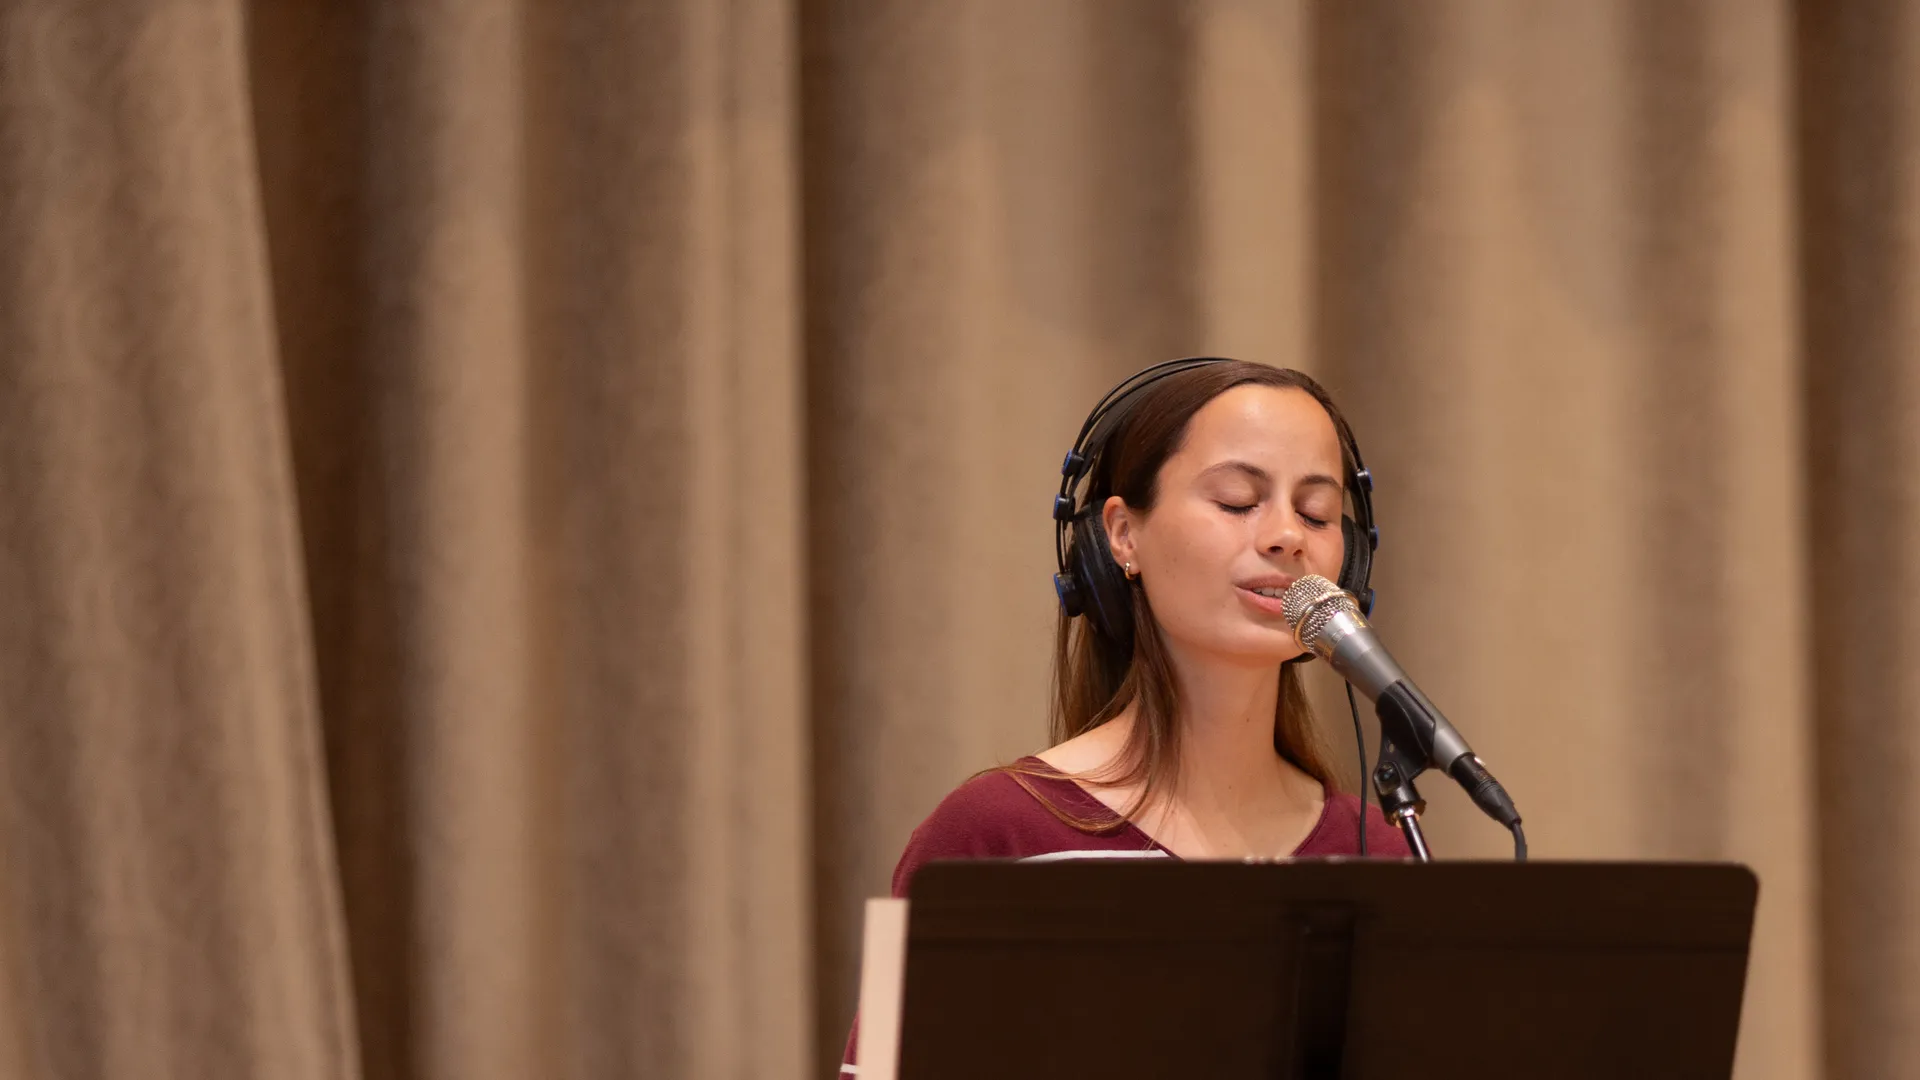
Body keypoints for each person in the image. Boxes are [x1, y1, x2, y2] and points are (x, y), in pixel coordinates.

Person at [840, 359, 1409, 1073]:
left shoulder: (1375, 853)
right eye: (1238, 501)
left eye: (1317, 513)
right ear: (1122, 535)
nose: (1287, 536)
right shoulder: (995, 833)